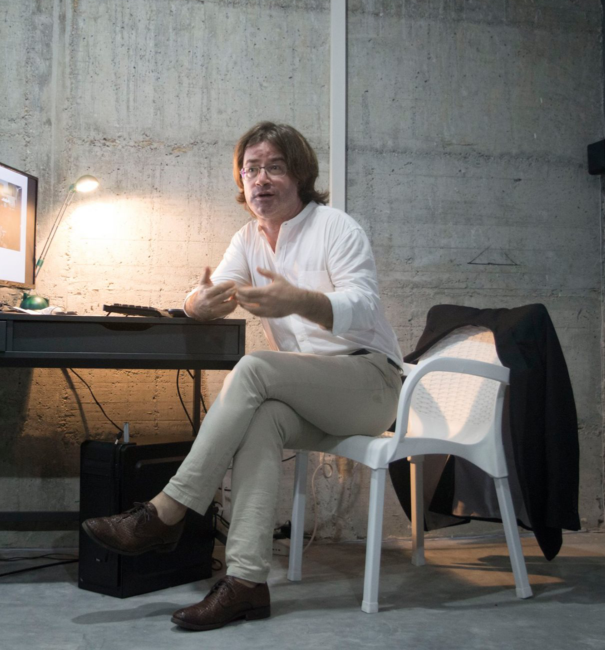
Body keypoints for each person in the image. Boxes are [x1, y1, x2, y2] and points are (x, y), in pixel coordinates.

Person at [82, 121, 404, 631]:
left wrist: (300, 300)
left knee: (254, 367)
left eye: (275, 167)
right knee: (262, 420)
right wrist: (199, 303)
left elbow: (364, 305)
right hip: (313, 396)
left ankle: (166, 511)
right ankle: (247, 583)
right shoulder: (248, 239)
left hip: (372, 383)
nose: (261, 179)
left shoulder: (336, 227)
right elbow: (207, 293)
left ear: (300, 175)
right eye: (251, 169)